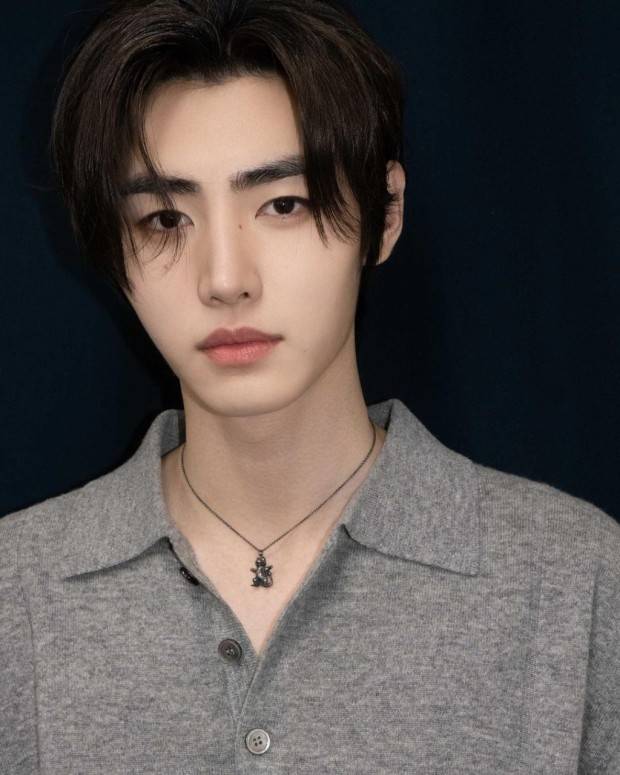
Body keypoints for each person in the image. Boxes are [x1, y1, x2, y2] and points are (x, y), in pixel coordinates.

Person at [1, 1, 618, 772]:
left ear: (385, 213)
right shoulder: (17, 593)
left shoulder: (575, 579)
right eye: (163, 219)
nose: (225, 279)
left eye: (283, 204)